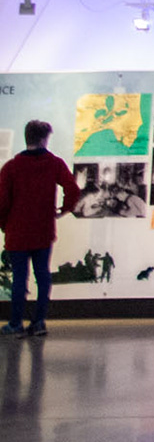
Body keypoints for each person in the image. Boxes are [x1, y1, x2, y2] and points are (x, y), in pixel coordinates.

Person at [0, 119, 82, 337]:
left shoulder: (11, 167)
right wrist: (64, 210)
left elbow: (2, 202)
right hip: (43, 231)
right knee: (43, 276)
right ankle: (38, 323)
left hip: (17, 233)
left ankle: (15, 324)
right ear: (45, 139)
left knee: (19, 278)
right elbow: (73, 189)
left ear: (26, 137)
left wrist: (4, 225)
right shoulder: (54, 163)